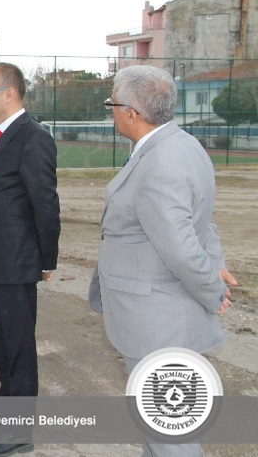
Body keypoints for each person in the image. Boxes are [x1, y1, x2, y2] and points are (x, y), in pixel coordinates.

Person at [89, 65, 237, 457]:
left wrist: (213, 290)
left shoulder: (159, 164)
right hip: (162, 315)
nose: (111, 111)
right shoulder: (184, 145)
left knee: (169, 432)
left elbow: (180, 245)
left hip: (155, 320)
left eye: (112, 104)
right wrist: (216, 260)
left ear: (131, 114)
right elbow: (200, 219)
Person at [0, 63, 61, 457]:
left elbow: (45, 204)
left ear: (8, 94)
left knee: (17, 347)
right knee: (3, 345)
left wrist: (46, 260)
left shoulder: (33, 138)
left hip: (17, 262)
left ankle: (18, 431)